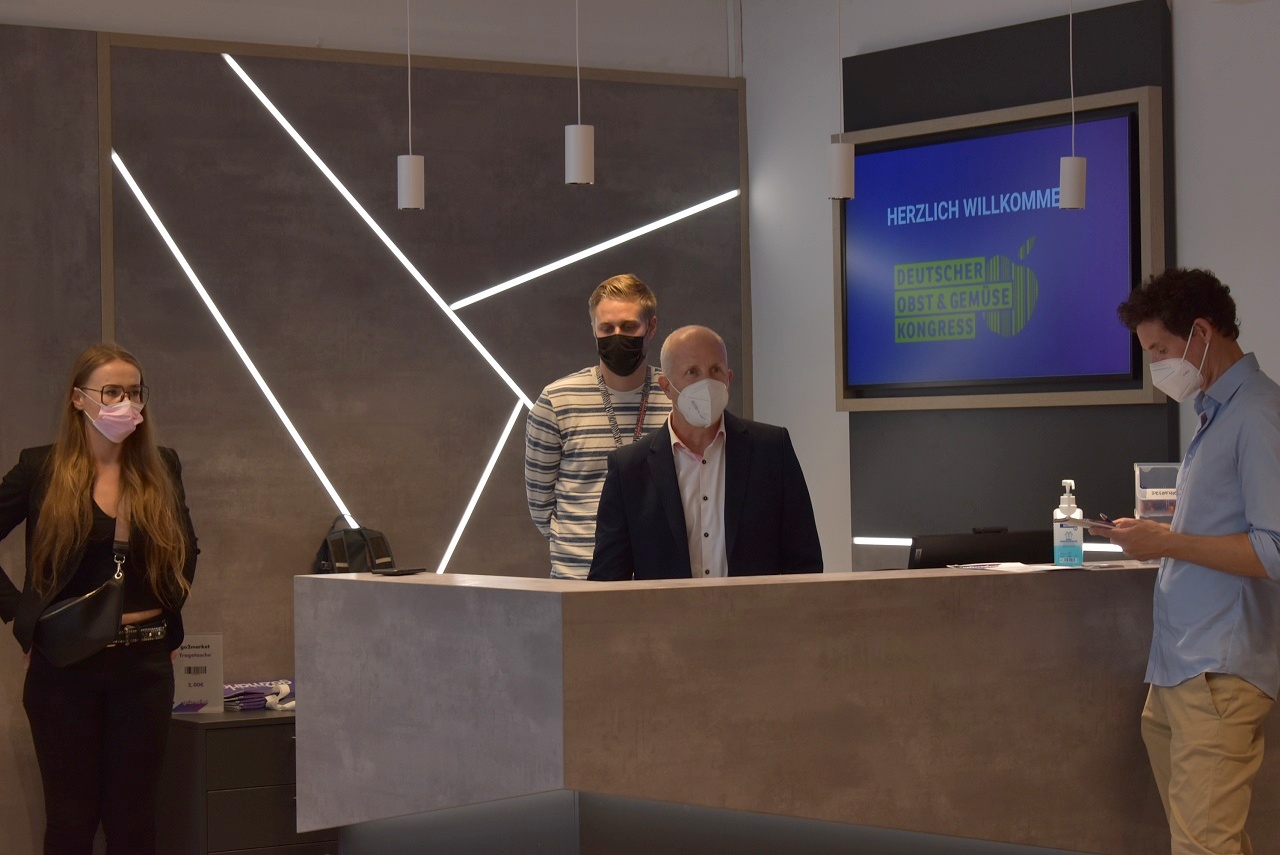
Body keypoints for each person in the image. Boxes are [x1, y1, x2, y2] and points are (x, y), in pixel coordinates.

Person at [1106, 268, 1280, 855]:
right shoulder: (1216, 414)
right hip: (1182, 668)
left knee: (1203, 846)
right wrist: (1162, 537)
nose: (1157, 366)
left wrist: (1167, 543)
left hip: (1218, 673)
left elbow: (1275, 548)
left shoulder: (1257, 414)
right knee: (1208, 841)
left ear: (1202, 332)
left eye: (1160, 350)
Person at [0, 343, 199, 854]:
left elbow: (187, 549)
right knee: (71, 821)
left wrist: (169, 616)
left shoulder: (161, 466)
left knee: (134, 822)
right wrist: (24, 619)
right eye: (111, 392)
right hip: (65, 667)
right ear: (78, 398)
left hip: (145, 664)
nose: (125, 403)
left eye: (134, 392)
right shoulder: (40, 468)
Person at [588, 325, 822, 580]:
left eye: (715, 370)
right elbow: (607, 579)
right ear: (666, 386)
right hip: (668, 608)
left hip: (755, 607)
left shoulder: (772, 450)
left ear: (728, 379)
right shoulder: (629, 468)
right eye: (692, 371)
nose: (706, 382)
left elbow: (804, 563)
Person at [525, 274, 672, 579]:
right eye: (607, 328)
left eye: (629, 327)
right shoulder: (556, 401)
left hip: (657, 582)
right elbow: (541, 507)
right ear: (593, 328)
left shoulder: (675, 399)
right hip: (577, 581)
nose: (617, 336)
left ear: (651, 327)